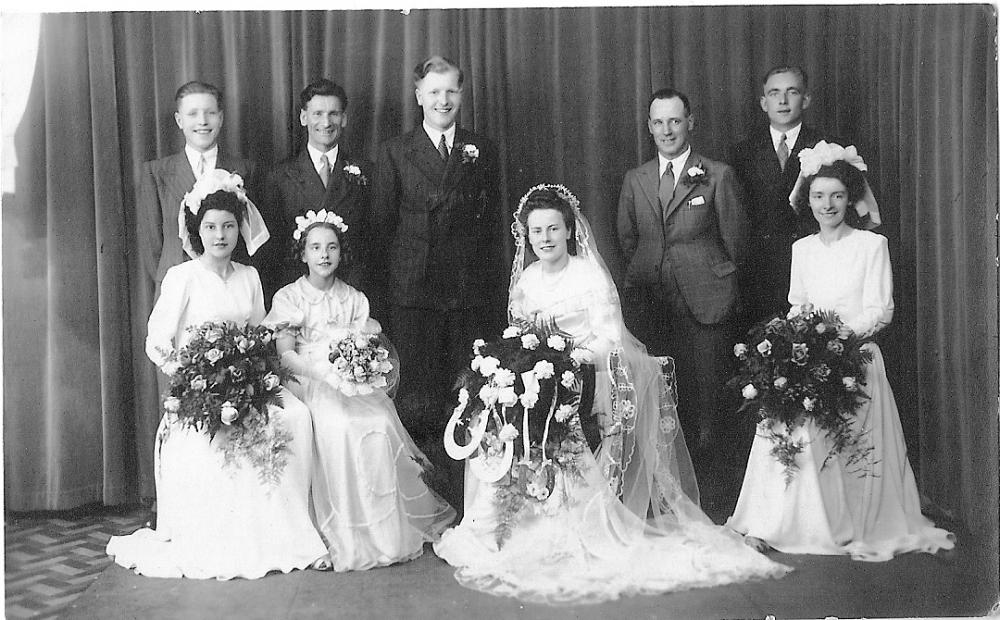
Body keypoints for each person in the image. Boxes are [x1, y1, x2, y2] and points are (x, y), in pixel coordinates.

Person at [433, 185, 789, 604]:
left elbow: (609, 338)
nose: (545, 239)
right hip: (541, 379)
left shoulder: (587, 276)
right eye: (536, 232)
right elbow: (520, 336)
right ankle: (501, 522)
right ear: (526, 237)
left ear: (569, 231)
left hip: (587, 375)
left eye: (553, 229)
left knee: (544, 411)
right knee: (491, 411)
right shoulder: (527, 280)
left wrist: (568, 360)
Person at [727, 146, 954, 561]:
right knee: (780, 423)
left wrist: (835, 342)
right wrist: (800, 340)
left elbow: (881, 310)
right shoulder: (803, 249)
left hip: (857, 360)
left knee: (842, 441)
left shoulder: (871, 245)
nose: (826, 205)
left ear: (850, 199)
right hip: (808, 358)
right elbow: (800, 305)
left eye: (835, 195)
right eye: (818, 196)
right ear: (807, 200)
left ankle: (839, 524)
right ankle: (769, 524)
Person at [107, 171, 329, 579]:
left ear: (239, 229)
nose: (220, 235)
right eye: (210, 227)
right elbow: (156, 341)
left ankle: (292, 532)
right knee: (209, 436)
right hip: (200, 391)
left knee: (295, 416)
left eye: (228, 225)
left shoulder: (249, 276)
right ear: (197, 231)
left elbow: (261, 334)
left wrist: (254, 375)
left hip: (247, 384)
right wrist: (189, 377)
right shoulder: (183, 277)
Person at [263, 210, 455, 572]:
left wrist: (356, 373)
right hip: (308, 381)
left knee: (380, 422)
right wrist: (323, 373)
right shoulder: (290, 298)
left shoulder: (353, 298)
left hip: (350, 382)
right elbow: (285, 355)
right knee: (338, 427)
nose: (324, 255)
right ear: (302, 253)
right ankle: (340, 531)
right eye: (315, 247)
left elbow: (368, 347)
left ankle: (383, 531)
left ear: (341, 253)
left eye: (331, 247)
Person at [372, 55, 504, 500]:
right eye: (433, 92)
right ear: (418, 97)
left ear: (462, 95)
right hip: (414, 294)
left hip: (466, 293)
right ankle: (423, 501)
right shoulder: (395, 151)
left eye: (450, 91)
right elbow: (383, 226)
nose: (442, 100)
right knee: (419, 398)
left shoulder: (481, 148)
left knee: (465, 395)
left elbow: (490, 230)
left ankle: (467, 500)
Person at [134, 81, 259, 524]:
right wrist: (179, 287)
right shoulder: (156, 171)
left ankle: (234, 499)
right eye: (192, 114)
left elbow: (244, 241)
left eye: (210, 113)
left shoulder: (243, 167)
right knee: (179, 403)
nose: (202, 122)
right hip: (183, 295)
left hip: (227, 293)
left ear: (221, 118)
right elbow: (152, 247)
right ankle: (173, 503)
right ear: (178, 121)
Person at [617, 88, 749, 452]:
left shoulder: (717, 175)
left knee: (710, 399)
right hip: (652, 304)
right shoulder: (636, 178)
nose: (667, 130)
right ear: (649, 127)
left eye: (675, 121)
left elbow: (737, 243)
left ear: (690, 122)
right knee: (661, 400)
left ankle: (715, 490)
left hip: (707, 302)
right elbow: (628, 239)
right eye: (658, 122)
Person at [731, 66, 839, 326]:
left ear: (806, 99)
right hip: (761, 273)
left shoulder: (826, 146)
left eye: (792, 92)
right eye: (774, 93)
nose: (782, 101)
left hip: (813, 266)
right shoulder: (743, 151)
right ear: (763, 102)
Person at [264, 79, 372, 301]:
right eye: (318, 114)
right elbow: (274, 247)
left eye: (334, 114)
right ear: (304, 118)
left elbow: (373, 239)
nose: (326, 122)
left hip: (351, 291)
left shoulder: (368, 171)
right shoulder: (280, 176)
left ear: (344, 119)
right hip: (298, 294)